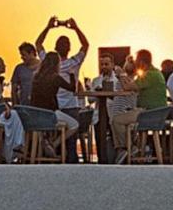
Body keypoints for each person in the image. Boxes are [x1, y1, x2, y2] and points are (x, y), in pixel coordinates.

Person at [34, 16, 90, 161]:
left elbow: (38, 44)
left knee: (53, 133)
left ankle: (52, 154)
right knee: (71, 141)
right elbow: (85, 45)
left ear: (55, 47)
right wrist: (76, 28)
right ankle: (70, 162)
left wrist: (48, 27)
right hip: (71, 106)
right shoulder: (74, 62)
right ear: (69, 48)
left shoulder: (47, 61)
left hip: (53, 107)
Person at [28, 51, 81, 155]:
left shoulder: (36, 76)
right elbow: (72, 88)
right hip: (51, 114)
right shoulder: (55, 77)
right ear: (57, 64)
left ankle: (45, 141)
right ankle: (54, 144)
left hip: (36, 115)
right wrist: (71, 74)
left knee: (50, 126)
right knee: (74, 125)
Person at [94, 54, 138, 159]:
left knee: (115, 121)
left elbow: (124, 92)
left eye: (106, 64)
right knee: (109, 122)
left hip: (117, 113)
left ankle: (124, 148)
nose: (104, 66)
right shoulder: (97, 80)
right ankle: (121, 150)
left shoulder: (121, 81)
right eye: (102, 64)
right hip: (110, 112)